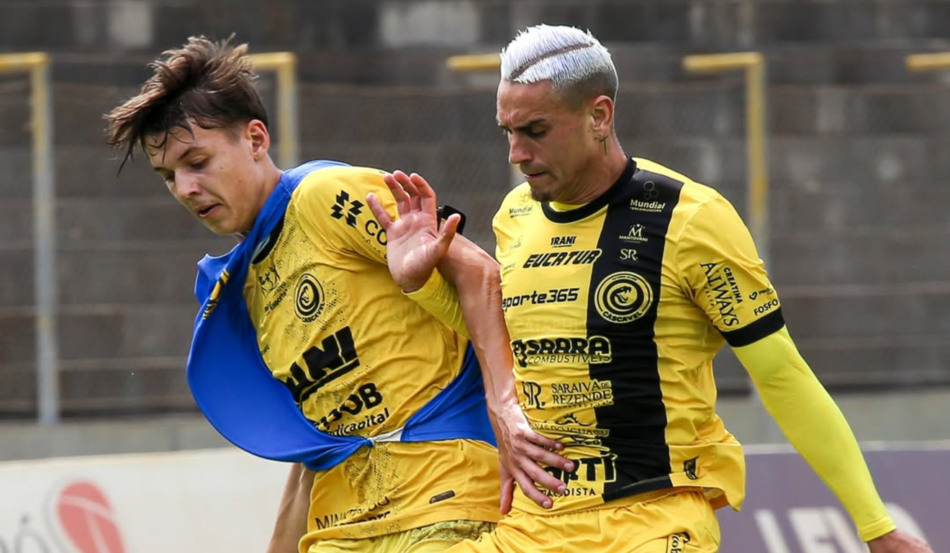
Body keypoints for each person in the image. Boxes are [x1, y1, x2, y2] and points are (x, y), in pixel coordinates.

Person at [369, 24, 935, 553]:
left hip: (653, 518)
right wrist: (419, 285)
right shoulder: (517, 214)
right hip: (537, 523)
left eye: (535, 131)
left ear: (599, 116)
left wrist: (875, 525)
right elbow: (507, 335)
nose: (516, 154)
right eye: (508, 132)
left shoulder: (691, 218)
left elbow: (782, 375)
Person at [104, 35, 563, 553]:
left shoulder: (325, 195)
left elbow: (481, 276)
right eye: (168, 176)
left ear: (256, 139)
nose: (184, 188)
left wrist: (508, 414)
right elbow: (316, 444)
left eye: (197, 162)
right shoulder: (246, 282)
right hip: (342, 524)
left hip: (443, 502)